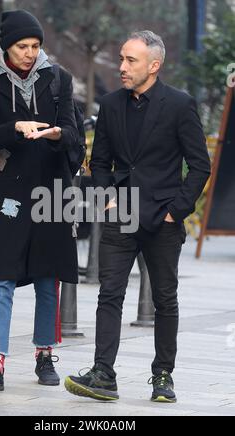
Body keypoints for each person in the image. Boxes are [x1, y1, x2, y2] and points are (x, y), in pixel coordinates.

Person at [65, 31, 211, 403]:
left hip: (163, 218)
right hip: (121, 214)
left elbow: (199, 165)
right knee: (109, 293)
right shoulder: (112, 105)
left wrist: (175, 211)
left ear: (154, 65)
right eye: (121, 59)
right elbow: (99, 162)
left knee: (165, 299)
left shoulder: (180, 104)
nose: (122, 67)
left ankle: (163, 376)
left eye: (131, 61)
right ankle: (103, 373)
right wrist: (107, 200)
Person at [0, 10, 79, 391]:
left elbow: (75, 139)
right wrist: (14, 128)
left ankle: (44, 355)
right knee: (2, 277)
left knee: (48, 276)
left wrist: (57, 135)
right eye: (22, 46)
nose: (30, 53)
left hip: (51, 190)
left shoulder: (59, 79)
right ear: (6, 48)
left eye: (35, 46)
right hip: (9, 193)